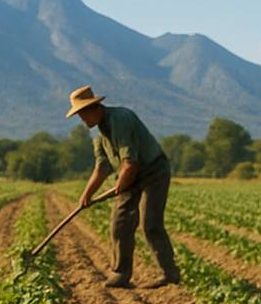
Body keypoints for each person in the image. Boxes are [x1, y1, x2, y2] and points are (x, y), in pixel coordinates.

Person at [68, 86, 180, 289]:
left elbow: (131, 163)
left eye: (83, 114)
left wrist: (120, 185)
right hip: (129, 175)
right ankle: (120, 274)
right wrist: (86, 195)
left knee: (150, 224)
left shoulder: (121, 119)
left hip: (153, 171)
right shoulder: (100, 137)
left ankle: (170, 274)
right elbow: (101, 169)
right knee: (120, 223)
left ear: (94, 108)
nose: (83, 121)